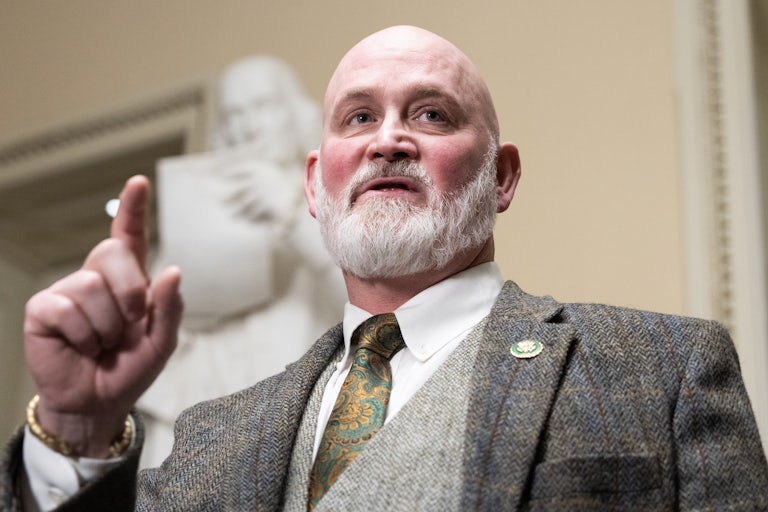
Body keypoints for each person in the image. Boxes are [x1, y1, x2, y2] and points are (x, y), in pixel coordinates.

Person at [2, 25, 767, 511]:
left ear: (501, 177)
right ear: (314, 186)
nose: (389, 140)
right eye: (359, 117)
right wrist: (76, 427)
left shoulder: (665, 368)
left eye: (431, 114)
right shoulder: (214, 436)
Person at [137, 56, 346, 468]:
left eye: (262, 107)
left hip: (294, 422)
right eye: (234, 114)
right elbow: (155, 336)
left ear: (294, 114)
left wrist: (291, 211)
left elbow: (377, 303)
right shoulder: (192, 216)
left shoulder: (337, 202)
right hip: (204, 423)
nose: (247, 127)